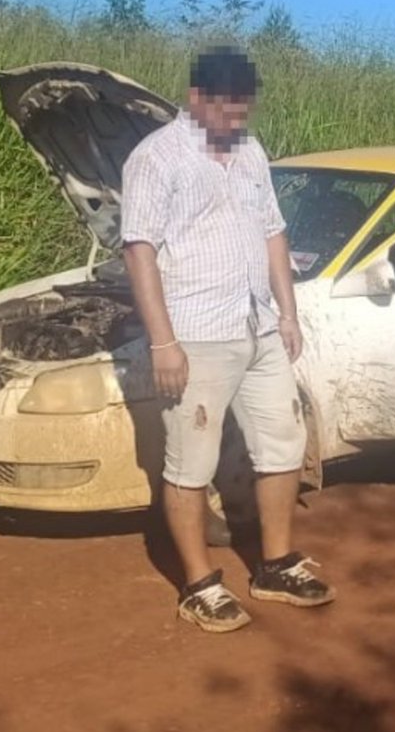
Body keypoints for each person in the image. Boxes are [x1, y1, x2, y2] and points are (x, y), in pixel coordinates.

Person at [121, 46, 334, 632]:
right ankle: (199, 585)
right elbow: (138, 249)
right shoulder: (156, 158)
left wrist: (287, 313)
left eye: (245, 111)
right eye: (227, 110)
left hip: (257, 325)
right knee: (191, 462)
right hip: (194, 334)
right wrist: (163, 342)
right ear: (197, 100)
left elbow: (274, 231)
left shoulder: (249, 150)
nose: (237, 123)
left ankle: (275, 565)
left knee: (284, 444)